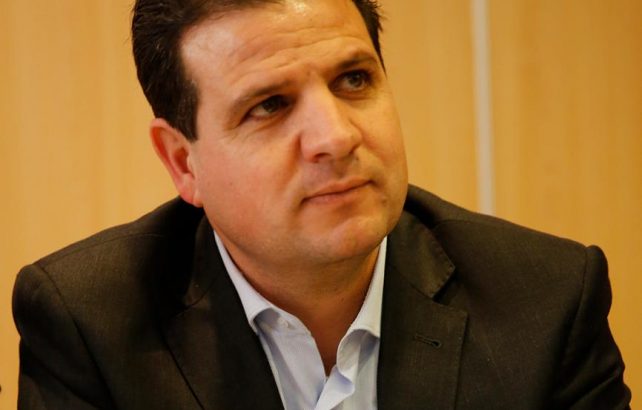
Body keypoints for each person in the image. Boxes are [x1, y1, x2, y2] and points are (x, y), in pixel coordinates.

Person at [12, 0, 630, 408]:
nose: (335, 137)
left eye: (353, 80)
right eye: (269, 106)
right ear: (182, 162)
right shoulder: (89, 324)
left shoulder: (545, 302)